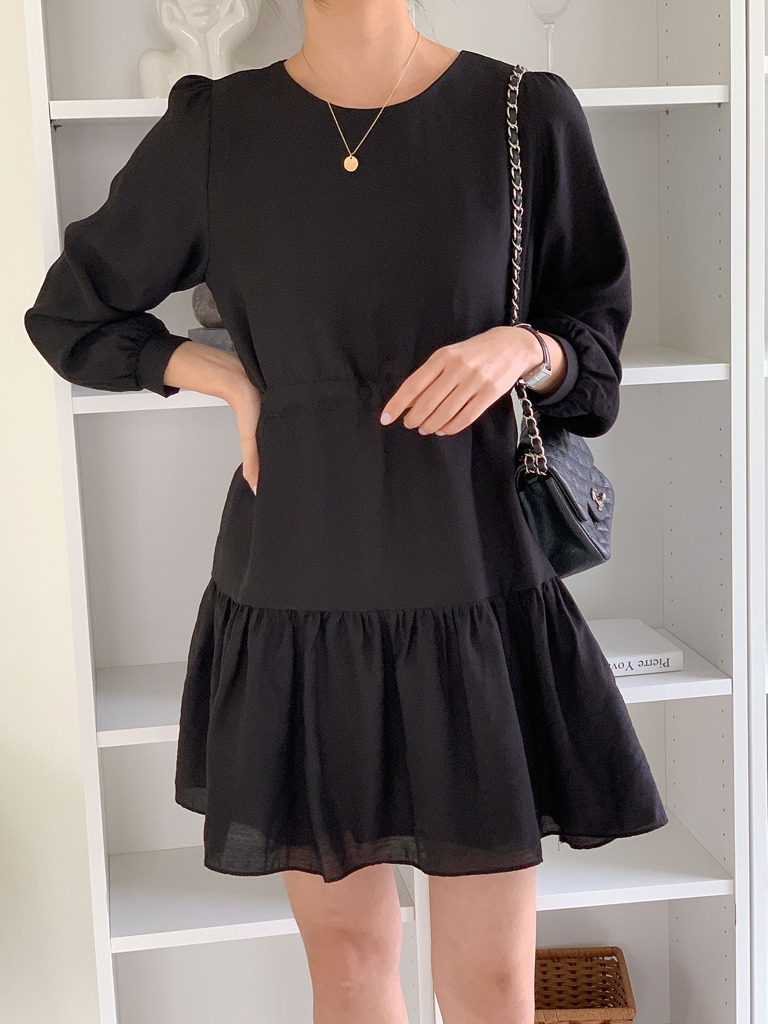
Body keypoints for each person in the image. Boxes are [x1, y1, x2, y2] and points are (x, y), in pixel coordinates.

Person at [24, 6, 668, 1021]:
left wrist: (524, 348)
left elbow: (593, 348)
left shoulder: (520, 112)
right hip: (298, 591)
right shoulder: (218, 129)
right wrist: (223, 377)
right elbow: (71, 314)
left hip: (474, 585)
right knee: (351, 965)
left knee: (494, 980)